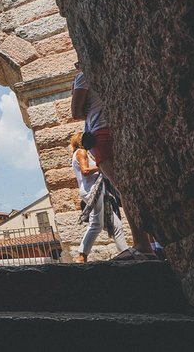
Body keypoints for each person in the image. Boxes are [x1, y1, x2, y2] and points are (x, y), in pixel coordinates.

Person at [71, 62, 154, 259]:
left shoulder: (84, 76)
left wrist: (75, 86)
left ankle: (142, 245)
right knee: (134, 184)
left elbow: (75, 112)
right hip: (122, 127)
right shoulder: (111, 67)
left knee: (123, 188)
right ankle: (151, 240)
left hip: (100, 133)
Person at [70, 132, 127, 262]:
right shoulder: (81, 152)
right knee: (96, 224)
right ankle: (81, 256)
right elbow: (85, 171)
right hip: (92, 190)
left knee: (116, 224)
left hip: (96, 189)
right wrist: (101, 165)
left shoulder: (78, 153)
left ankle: (124, 252)